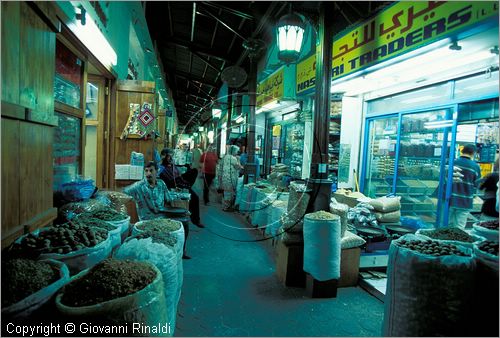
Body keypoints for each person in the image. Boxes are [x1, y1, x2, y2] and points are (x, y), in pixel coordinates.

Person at [123, 162, 191, 259]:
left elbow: (168, 199)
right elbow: (124, 192)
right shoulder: (139, 186)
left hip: (162, 215)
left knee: (185, 221)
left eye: (151, 170)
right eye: (146, 171)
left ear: (157, 171)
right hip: (148, 219)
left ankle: (182, 251)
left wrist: (183, 207)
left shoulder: (161, 184)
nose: (148, 173)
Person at [159, 148, 204, 228]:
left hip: (180, 181)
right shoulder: (161, 168)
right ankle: (196, 220)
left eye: (171, 156)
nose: (171, 158)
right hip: (174, 186)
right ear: (164, 157)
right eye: (169, 156)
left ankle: (187, 186)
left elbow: (178, 174)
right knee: (194, 198)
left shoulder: (172, 165)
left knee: (194, 171)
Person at [448, 144, 481, 228]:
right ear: (473, 153)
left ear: (462, 151)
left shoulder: (452, 162)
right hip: (465, 201)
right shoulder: (475, 166)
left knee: (446, 225)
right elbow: (477, 184)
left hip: (450, 199)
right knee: (460, 227)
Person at [217, 145, 243, 211]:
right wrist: (239, 160)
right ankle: (226, 207)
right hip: (230, 179)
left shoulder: (225, 157)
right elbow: (238, 167)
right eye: (236, 151)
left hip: (224, 178)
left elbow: (220, 167)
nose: (237, 153)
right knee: (229, 193)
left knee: (226, 192)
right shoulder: (233, 158)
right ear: (233, 151)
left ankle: (225, 206)